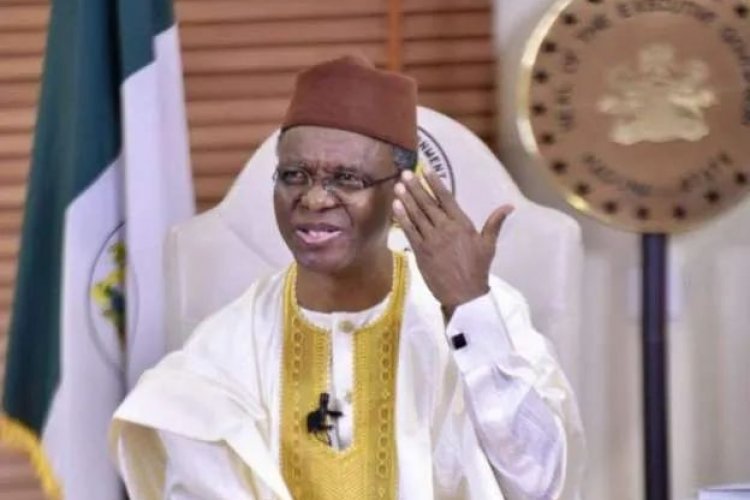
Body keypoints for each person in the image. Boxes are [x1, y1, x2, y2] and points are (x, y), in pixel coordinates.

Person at [110, 55, 584, 500]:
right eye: (294, 175)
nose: (315, 199)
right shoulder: (228, 350)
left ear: (400, 192)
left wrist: (468, 306)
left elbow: (537, 482)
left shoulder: (483, 311)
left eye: (347, 179)